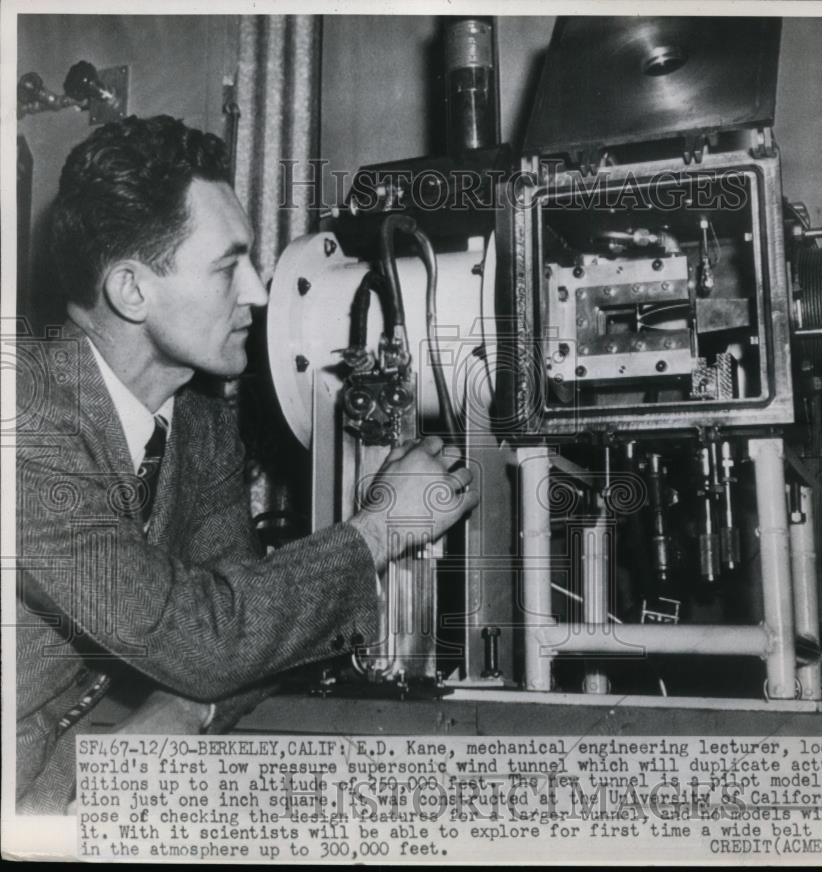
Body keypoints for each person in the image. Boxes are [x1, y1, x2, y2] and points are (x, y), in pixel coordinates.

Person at [15, 115, 479, 813]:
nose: (260, 294)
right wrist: (380, 529)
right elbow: (209, 639)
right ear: (131, 291)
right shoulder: (25, 431)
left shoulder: (199, 425)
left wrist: (184, 712)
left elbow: (253, 620)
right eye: (229, 267)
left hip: (62, 778)